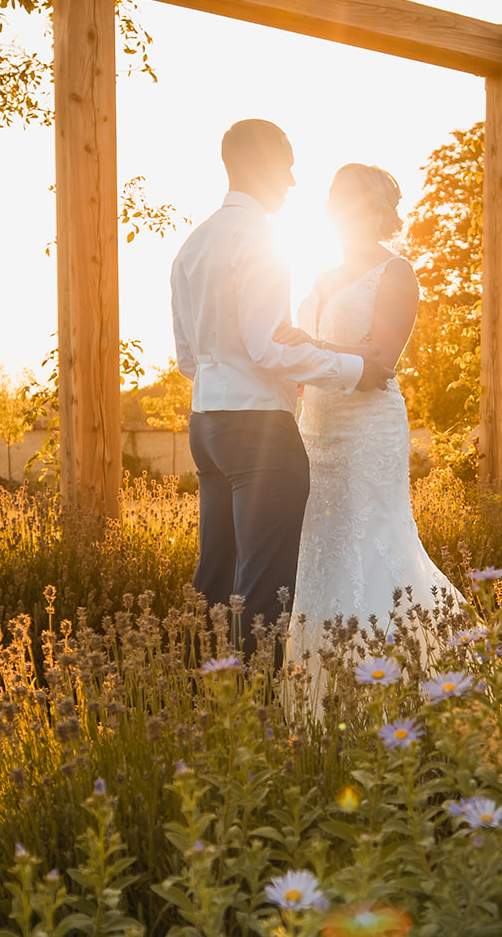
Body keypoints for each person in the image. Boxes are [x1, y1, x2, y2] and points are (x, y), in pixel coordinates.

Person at [171, 121, 395, 661]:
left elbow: (184, 359)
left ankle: (194, 694)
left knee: (216, 573)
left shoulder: (193, 243)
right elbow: (269, 347)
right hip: (258, 433)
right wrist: (350, 368)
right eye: (289, 164)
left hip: (205, 425)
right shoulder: (262, 239)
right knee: (265, 588)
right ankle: (257, 712)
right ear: (264, 164)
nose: (294, 180)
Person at [273, 163, 459, 687]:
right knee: (320, 543)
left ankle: (399, 678)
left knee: (372, 537)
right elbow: (298, 360)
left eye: (346, 194)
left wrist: (318, 347)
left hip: (368, 427)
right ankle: (322, 684)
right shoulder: (320, 277)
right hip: (317, 428)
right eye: (332, 193)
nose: (334, 202)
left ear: (376, 208)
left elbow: (377, 366)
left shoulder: (395, 272)